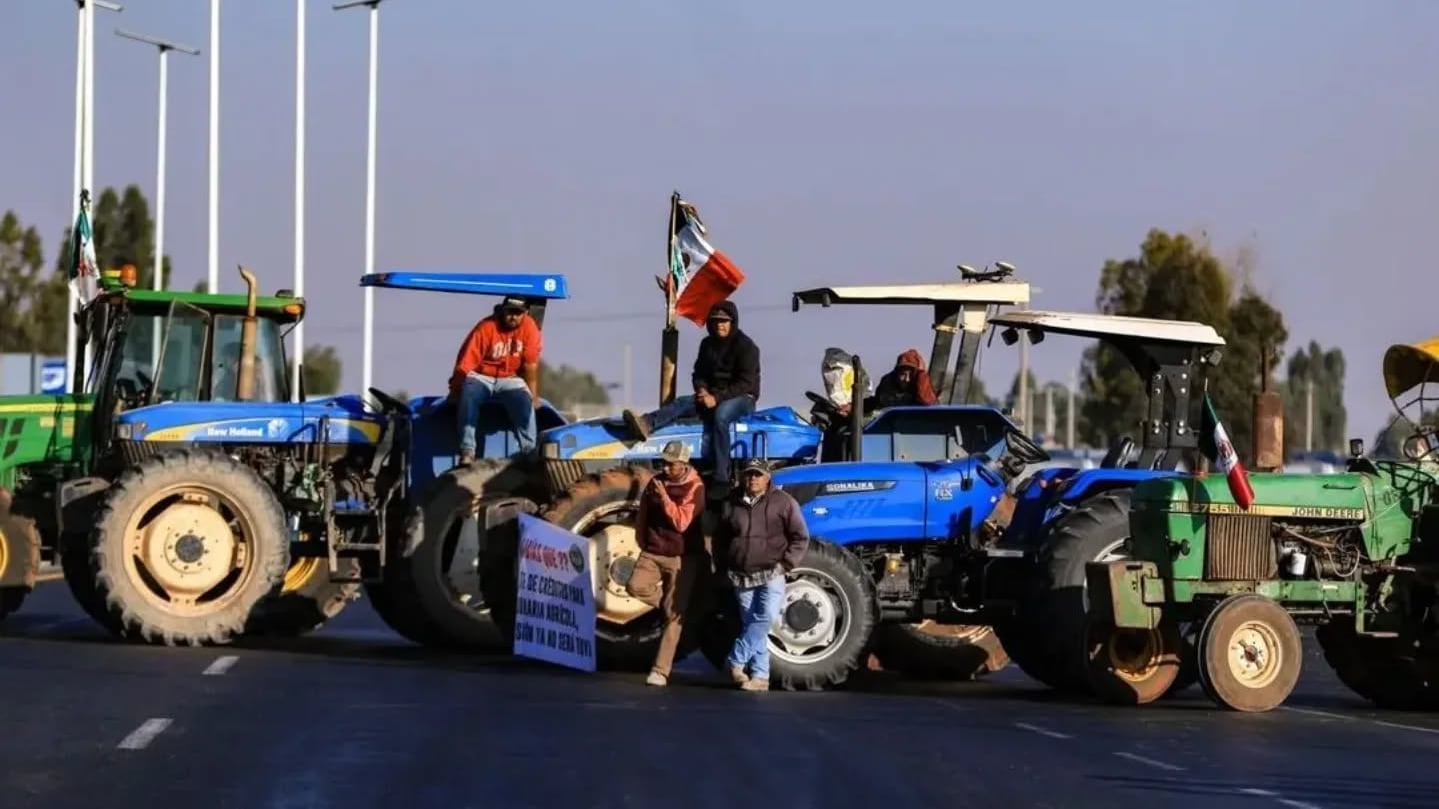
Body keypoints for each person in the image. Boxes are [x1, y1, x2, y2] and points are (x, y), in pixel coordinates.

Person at [621, 301, 760, 487]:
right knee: (682, 403)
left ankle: (721, 475)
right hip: (712, 394)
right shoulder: (707, 345)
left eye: (725, 321)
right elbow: (699, 374)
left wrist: (716, 398)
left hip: (742, 397)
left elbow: (746, 383)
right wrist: (702, 390)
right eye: (716, 321)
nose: (720, 324)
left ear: (733, 322)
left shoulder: (746, 346)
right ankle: (646, 424)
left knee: (721, 416)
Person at [712, 457, 809, 691]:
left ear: (767, 478)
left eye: (757, 474)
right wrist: (724, 565)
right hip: (741, 574)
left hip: (772, 571)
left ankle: (735, 660)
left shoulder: (784, 502)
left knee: (765, 618)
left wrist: (785, 565)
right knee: (751, 625)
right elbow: (720, 539)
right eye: (749, 474)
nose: (753, 478)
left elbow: (800, 537)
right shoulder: (732, 502)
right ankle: (761, 677)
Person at [625, 441, 708, 687]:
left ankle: (660, 670)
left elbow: (682, 522)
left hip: (681, 556)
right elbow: (644, 512)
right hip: (653, 550)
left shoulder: (696, 487)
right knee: (635, 586)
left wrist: (665, 499)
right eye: (664, 462)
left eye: (671, 464)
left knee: (673, 619)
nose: (666, 467)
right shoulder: (655, 482)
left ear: (684, 464)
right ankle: (673, 607)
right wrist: (641, 538)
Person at [450, 295, 542, 464]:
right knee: (469, 393)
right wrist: (455, 389)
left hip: (511, 377)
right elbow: (466, 363)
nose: (513, 316)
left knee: (524, 402)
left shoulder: (530, 328)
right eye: (509, 312)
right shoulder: (486, 327)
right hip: (481, 376)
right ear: (502, 310)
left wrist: (533, 396)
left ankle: (529, 452)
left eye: (518, 313)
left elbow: (530, 366)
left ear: (526, 313)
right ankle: (468, 450)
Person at [841, 348, 937, 417]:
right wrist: (853, 407)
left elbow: (929, 404)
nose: (907, 379)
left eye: (911, 376)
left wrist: (922, 380)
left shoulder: (923, 388)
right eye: (903, 374)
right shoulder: (887, 385)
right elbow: (874, 403)